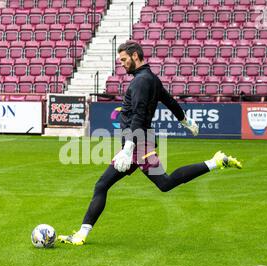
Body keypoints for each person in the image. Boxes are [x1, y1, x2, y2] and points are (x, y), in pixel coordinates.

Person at [58, 41, 242, 246]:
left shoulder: (140, 82)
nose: (121, 64)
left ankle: (216, 162)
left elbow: (138, 115)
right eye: (120, 60)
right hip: (140, 142)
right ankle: (81, 235)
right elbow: (169, 101)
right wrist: (185, 121)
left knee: (117, 184)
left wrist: (128, 149)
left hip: (138, 144)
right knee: (139, 184)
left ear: (135, 56)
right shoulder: (150, 78)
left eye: (124, 59)